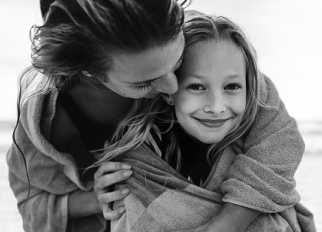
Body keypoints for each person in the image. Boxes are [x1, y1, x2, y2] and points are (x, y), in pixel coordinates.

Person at [6, 1, 312, 232]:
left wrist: (226, 224)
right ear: (87, 71)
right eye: (143, 83)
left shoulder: (204, 52)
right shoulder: (48, 122)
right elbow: (32, 207)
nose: (172, 85)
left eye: (177, 61)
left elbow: (278, 141)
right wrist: (96, 198)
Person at [94, 10, 316, 232]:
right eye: (197, 87)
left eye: (232, 87)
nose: (217, 107)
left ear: (250, 90)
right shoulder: (135, 163)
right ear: (168, 90)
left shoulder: (258, 146)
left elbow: (285, 139)